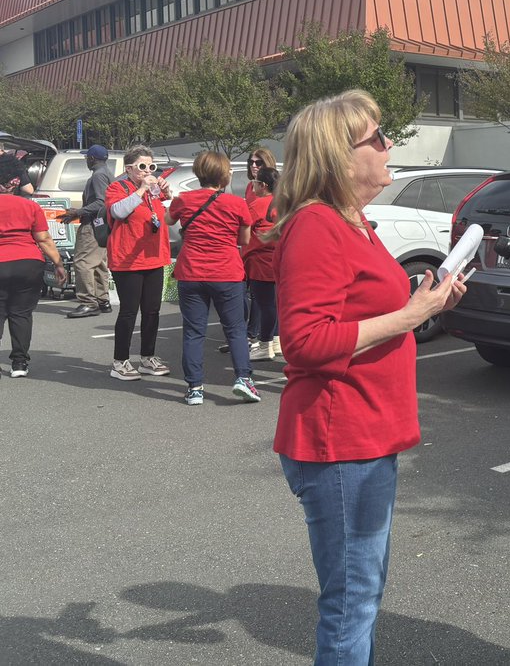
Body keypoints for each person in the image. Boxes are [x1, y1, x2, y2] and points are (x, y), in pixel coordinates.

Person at [271, 90, 467, 665]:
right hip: (339, 442)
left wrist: (427, 302)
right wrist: (412, 315)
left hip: (366, 435)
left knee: (361, 594)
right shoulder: (316, 225)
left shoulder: (353, 222)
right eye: (377, 138)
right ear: (339, 154)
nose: (389, 146)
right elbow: (305, 341)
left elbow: (360, 311)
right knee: (351, 602)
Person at [165, 151, 257, 406]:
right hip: (226, 271)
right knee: (235, 329)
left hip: (191, 271)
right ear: (224, 175)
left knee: (194, 331)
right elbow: (245, 239)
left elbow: (168, 219)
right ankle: (243, 379)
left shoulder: (184, 199)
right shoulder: (237, 204)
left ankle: (195, 388)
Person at [105, 146, 173, 381]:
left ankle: (147, 357)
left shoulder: (154, 190)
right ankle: (120, 361)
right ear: (129, 169)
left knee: (152, 310)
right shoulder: (118, 187)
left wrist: (166, 190)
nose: (147, 171)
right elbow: (118, 211)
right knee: (128, 311)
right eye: (142, 167)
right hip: (127, 260)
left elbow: (169, 210)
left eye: (150, 166)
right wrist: (142, 189)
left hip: (154, 256)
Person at [0, 155, 67, 377]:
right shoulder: (30, 206)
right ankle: (19, 363)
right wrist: (58, 264)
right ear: (14, 182)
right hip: (28, 263)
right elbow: (44, 239)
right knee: (21, 314)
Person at [59, 145, 114, 318]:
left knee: (82, 262)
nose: (86, 161)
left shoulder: (98, 176)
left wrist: (78, 212)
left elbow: (100, 202)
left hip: (92, 225)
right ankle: (102, 300)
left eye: (86, 158)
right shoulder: (105, 173)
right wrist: (78, 212)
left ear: (92, 159)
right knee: (97, 263)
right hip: (102, 225)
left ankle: (88, 303)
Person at [243, 165, 280, 363]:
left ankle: (265, 345)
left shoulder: (258, 205)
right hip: (280, 260)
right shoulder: (284, 203)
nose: (253, 185)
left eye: (255, 182)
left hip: (260, 261)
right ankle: (275, 341)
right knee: (275, 304)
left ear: (263, 185)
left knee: (266, 305)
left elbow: (242, 230)